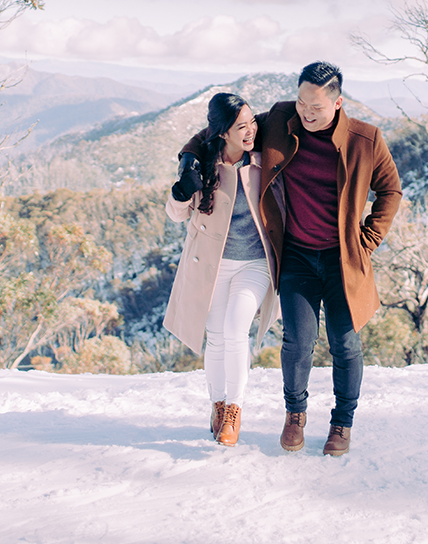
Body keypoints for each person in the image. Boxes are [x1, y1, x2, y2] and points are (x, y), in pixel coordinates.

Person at [180, 62, 401, 456]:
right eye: (301, 102)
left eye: (315, 106)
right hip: (296, 254)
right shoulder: (281, 119)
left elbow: (391, 191)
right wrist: (189, 160)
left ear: (338, 103)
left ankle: (341, 423)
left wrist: (367, 240)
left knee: (345, 343)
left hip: (343, 259)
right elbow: (221, 131)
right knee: (297, 342)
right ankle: (294, 415)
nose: (306, 112)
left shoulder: (366, 140)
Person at [164, 92, 281, 447]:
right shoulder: (203, 164)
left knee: (234, 330)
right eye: (240, 127)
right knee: (214, 335)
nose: (250, 132)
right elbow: (175, 214)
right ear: (222, 133)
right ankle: (216, 404)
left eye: (252, 124)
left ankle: (234, 409)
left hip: (256, 262)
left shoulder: (263, 160)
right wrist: (183, 190)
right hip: (214, 263)